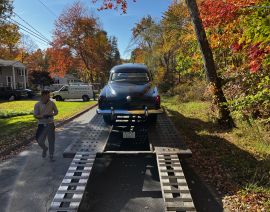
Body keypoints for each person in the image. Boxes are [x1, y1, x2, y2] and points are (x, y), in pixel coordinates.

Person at [34, 90, 58, 161]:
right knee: (39, 140)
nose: (49, 97)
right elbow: (35, 115)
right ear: (43, 96)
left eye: (49, 95)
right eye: (48, 96)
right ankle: (44, 148)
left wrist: (52, 114)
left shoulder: (52, 103)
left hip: (50, 124)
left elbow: (56, 111)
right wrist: (42, 116)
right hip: (41, 124)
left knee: (51, 141)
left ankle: (51, 156)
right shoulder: (37, 104)